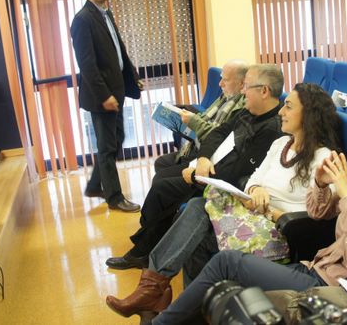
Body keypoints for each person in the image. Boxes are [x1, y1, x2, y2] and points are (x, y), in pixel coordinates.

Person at [147, 98, 347, 324]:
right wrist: (321, 184)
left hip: (343, 291)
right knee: (225, 286)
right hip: (317, 269)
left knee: (227, 264)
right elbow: (320, 213)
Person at [105, 83, 341, 319]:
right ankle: (176, 302)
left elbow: (320, 211)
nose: (281, 111)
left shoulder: (324, 158)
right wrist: (256, 189)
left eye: (288, 106)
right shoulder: (281, 144)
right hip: (250, 217)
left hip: (278, 232)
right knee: (197, 216)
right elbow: (254, 177)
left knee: (196, 213)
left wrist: (271, 210)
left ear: (309, 114)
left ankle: (155, 292)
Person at [105, 64, 284, 270]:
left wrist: (195, 177)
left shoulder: (271, 129)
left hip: (221, 184)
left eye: (247, 86)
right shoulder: (249, 111)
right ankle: (147, 244)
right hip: (209, 168)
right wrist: (203, 159)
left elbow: (239, 172)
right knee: (162, 181)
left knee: (162, 190)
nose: (243, 92)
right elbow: (218, 132)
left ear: (264, 91)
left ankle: (141, 250)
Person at [71, 0, 143, 212]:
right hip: (102, 97)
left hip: (116, 90)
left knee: (117, 138)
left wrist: (132, 77)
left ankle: (94, 185)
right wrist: (105, 96)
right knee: (108, 146)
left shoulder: (105, 13)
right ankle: (114, 197)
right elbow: (87, 65)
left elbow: (118, 49)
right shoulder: (82, 20)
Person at [153, 60, 248, 180]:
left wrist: (193, 121)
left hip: (210, 153)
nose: (220, 84)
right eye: (221, 78)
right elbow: (206, 118)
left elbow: (219, 137)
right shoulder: (226, 96)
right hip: (197, 144)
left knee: (161, 178)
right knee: (161, 163)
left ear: (242, 83)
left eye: (226, 80)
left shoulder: (243, 107)